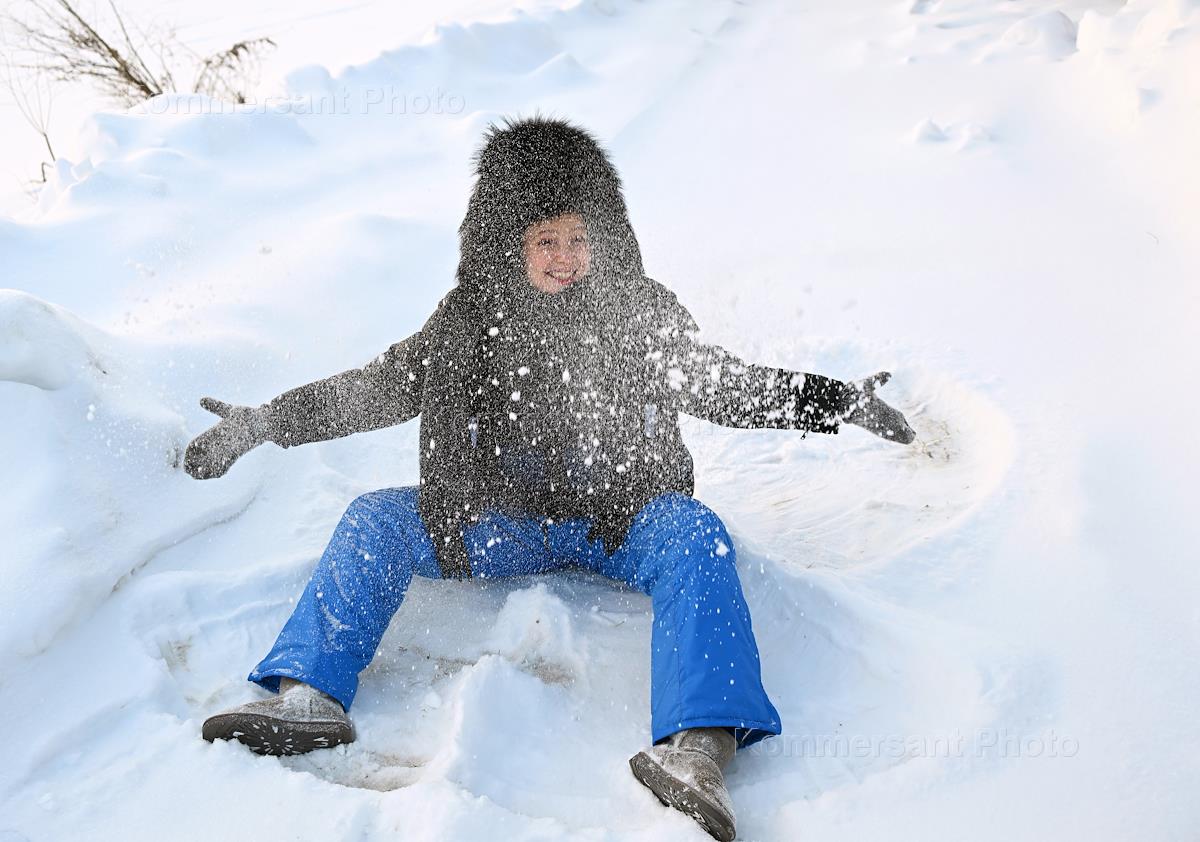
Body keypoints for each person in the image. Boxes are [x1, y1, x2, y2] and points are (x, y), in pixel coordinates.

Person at [185, 116, 914, 841]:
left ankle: (698, 747)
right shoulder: (467, 323)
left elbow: (723, 385)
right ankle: (310, 698)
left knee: (697, 535)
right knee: (375, 519)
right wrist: (263, 422)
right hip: (496, 522)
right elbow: (374, 390)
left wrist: (836, 402)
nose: (567, 258)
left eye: (579, 238)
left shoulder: (637, 313)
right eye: (547, 241)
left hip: (617, 521)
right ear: (510, 242)